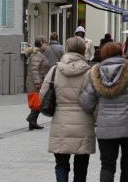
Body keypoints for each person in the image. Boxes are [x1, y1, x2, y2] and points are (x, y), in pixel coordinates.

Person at [80, 43, 128, 182]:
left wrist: (99, 113)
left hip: (106, 128)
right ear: (120, 53)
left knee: (107, 166)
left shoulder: (95, 73)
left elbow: (86, 103)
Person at [40, 37, 95, 182]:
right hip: (84, 124)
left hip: (61, 124)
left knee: (61, 165)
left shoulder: (55, 70)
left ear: (67, 49)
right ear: (84, 50)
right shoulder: (90, 73)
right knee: (81, 167)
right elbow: (96, 100)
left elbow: (42, 95)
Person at [26, 36, 51, 130]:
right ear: (41, 43)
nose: (47, 45)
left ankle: (33, 122)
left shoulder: (39, 53)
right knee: (39, 102)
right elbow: (34, 69)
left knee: (37, 102)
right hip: (35, 83)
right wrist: (37, 82)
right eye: (46, 43)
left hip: (38, 82)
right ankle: (31, 119)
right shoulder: (37, 54)